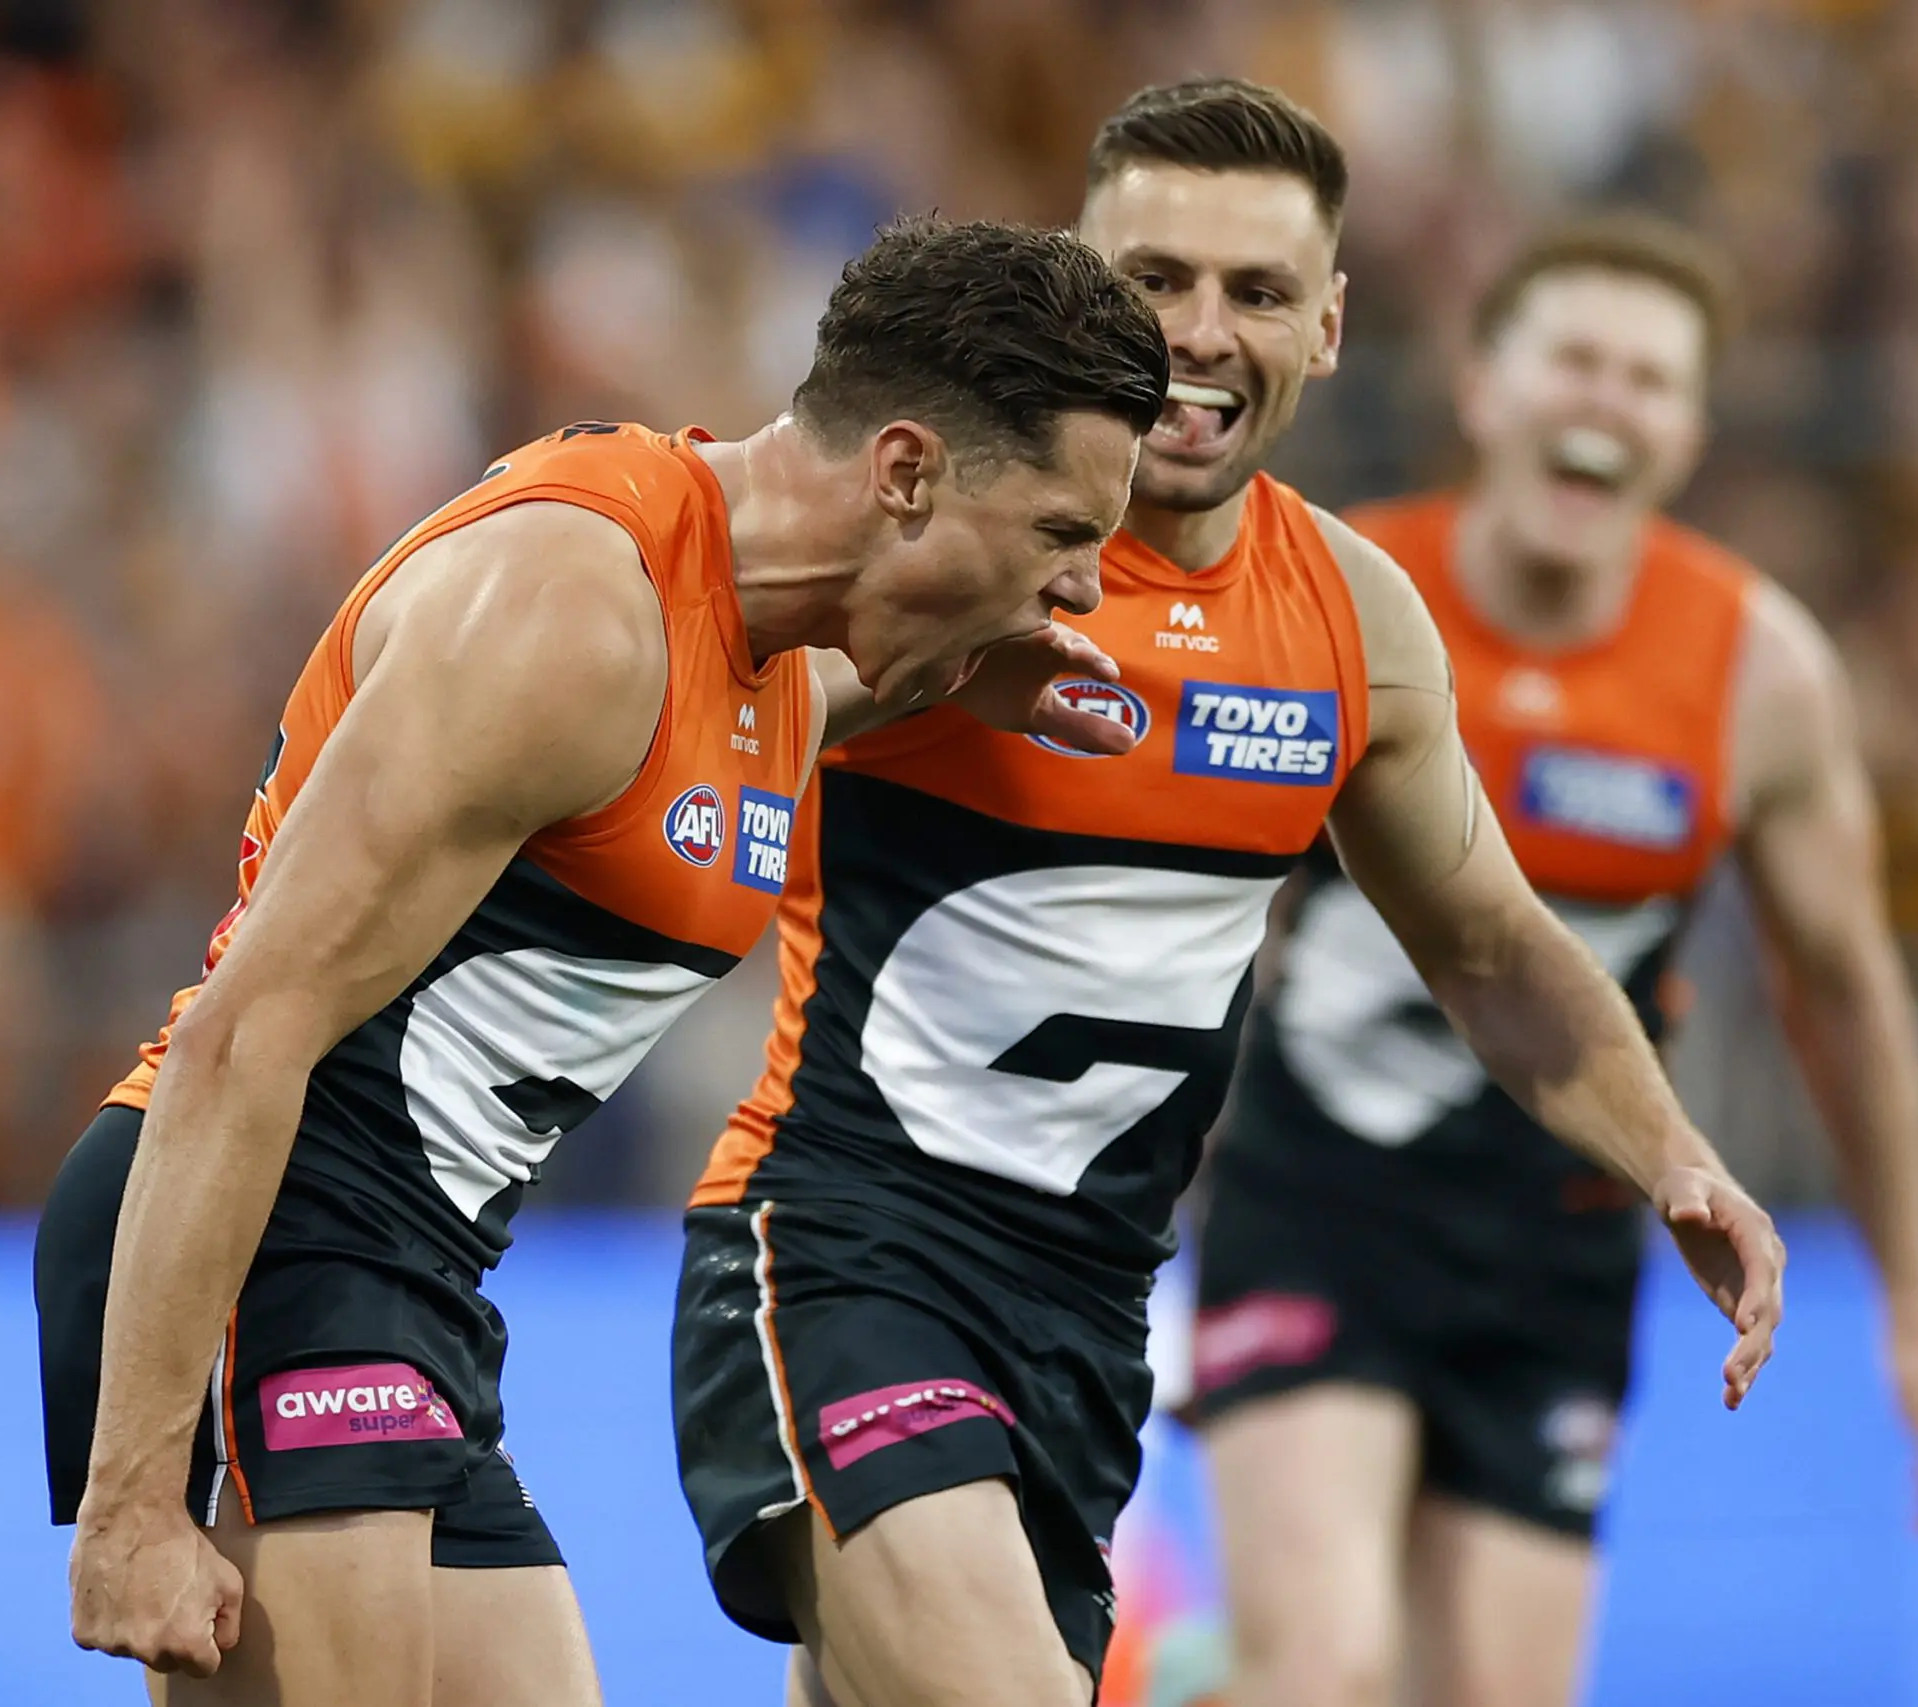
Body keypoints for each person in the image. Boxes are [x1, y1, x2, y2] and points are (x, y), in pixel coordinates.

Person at [670, 82, 1787, 1707]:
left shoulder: (1352, 621)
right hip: (849, 1250)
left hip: (1089, 1315)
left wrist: (1676, 1156)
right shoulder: (933, 542)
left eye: (1257, 292)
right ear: (1075, 277)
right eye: (1154, 280)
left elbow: (1489, 946)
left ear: (1328, 326)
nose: (1200, 334)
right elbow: (645, 689)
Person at [32, 216, 1171, 1706]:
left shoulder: (772, 643)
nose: (1085, 590)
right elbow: (242, 1037)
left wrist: (975, 667)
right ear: (905, 471)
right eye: (1061, 535)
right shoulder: (573, 612)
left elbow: (773, 708)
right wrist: (130, 1503)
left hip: (412, 1268)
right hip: (275, 1232)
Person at [1184, 212, 1918, 1707]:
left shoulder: (1759, 671)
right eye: (1575, 360)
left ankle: (1182, 1677)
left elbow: (1849, 1003)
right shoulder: (1338, 598)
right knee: (1330, 1669)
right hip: (1317, 1203)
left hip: (1557, 1244)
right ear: (1485, 389)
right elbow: (1180, 898)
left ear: (1688, 429)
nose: (1604, 403)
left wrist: (1916, 1322)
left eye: (1648, 379)